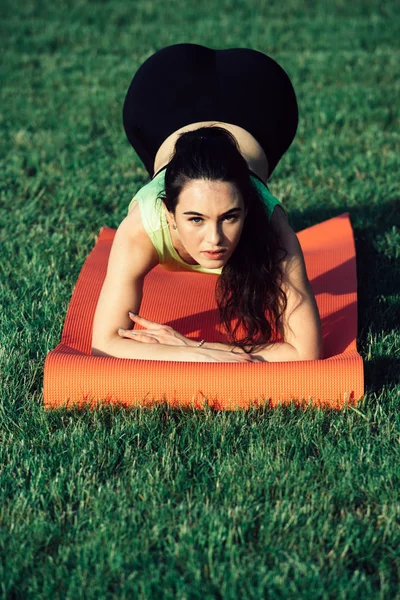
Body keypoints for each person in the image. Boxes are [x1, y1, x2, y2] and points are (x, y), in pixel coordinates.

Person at [92, 43, 323, 363]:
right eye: (196, 219)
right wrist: (211, 357)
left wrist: (190, 346)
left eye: (229, 217)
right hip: (163, 91)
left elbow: (306, 354)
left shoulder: (271, 226)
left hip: (257, 91)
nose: (214, 240)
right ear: (168, 214)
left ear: (248, 208)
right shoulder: (141, 228)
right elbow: (105, 344)